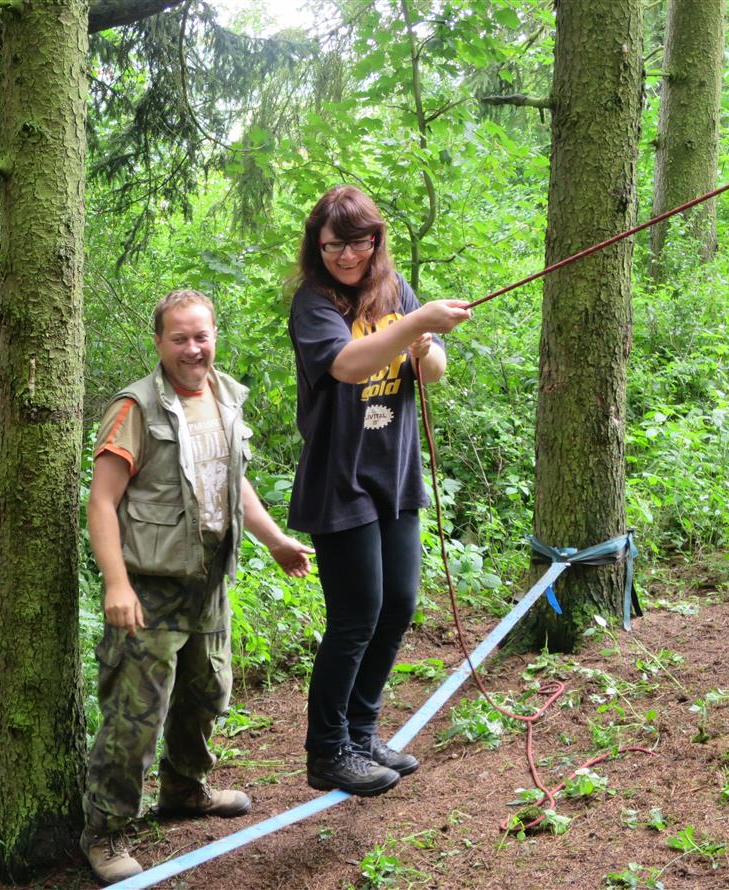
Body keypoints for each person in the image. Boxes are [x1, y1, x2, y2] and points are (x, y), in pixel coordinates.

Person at [81, 289, 313, 883]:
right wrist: (116, 584)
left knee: (207, 693)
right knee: (135, 716)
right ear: (159, 342)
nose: (193, 348)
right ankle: (105, 831)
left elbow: (233, 483)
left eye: (201, 336)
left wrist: (275, 540)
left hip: (209, 581)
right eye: (180, 337)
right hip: (149, 588)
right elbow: (102, 502)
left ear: (215, 336)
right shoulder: (136, 408)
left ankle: (184, 789)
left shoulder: (225, 396)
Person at [287, 186, 472, 797]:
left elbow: (432, 369)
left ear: (375, 240)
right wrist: (416, 324)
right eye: (333, 245)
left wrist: (424, 344)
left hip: (394, 475)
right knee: (356, 617)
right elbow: (347, 365)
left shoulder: (395, 291)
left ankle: (361, 734)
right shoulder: (314, 304)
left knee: (397, 607)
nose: (346, 255)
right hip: (339, 481)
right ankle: (328, 749)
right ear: (317, 245)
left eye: (357, 242)